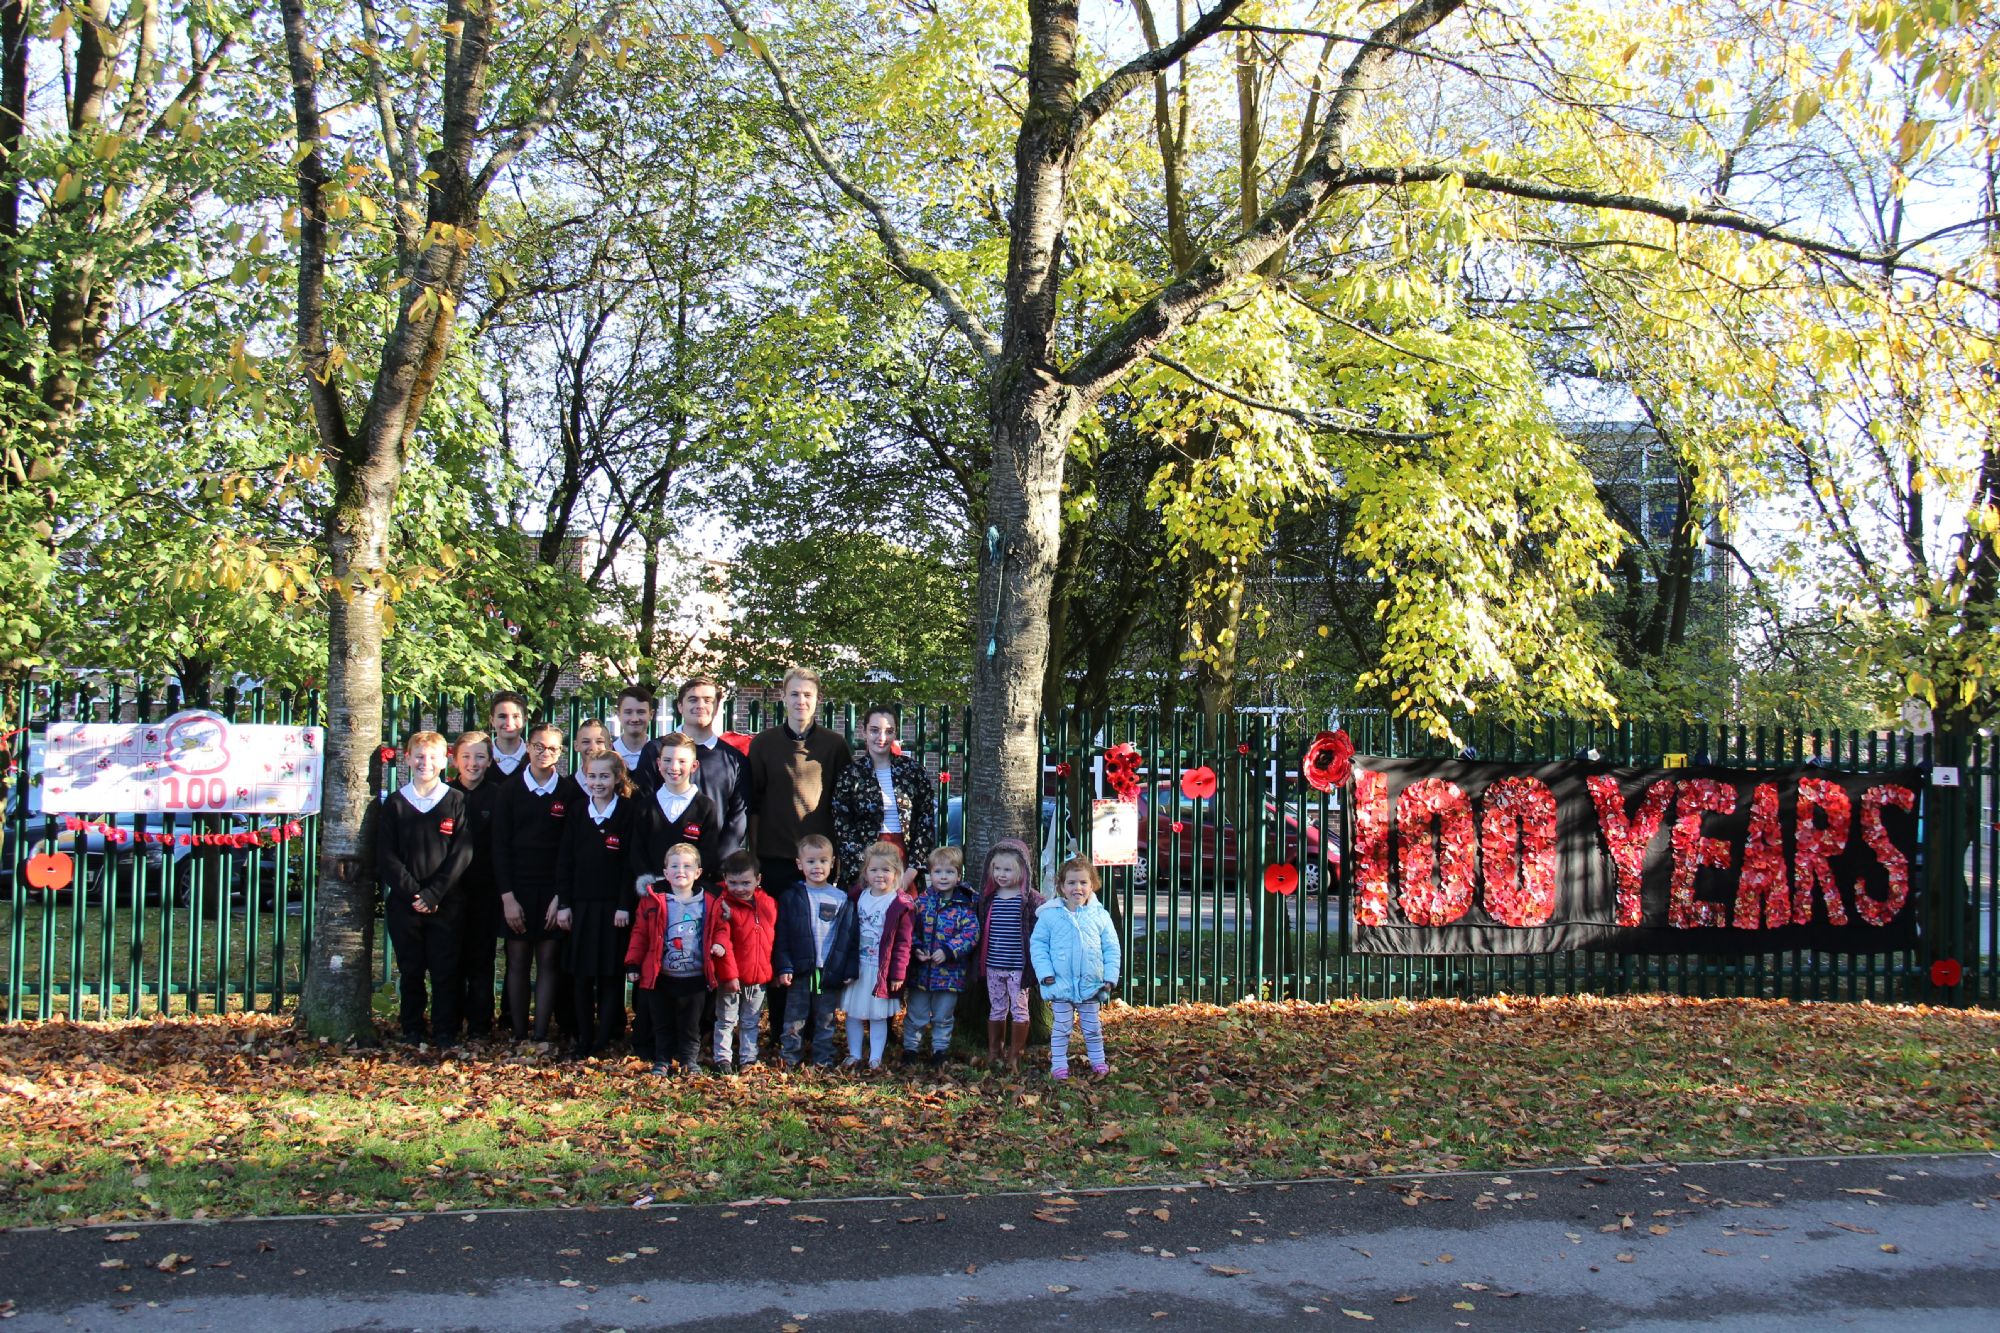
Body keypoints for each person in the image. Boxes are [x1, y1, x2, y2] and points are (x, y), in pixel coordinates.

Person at [376, 731, 474, 1044]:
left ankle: (446, 1030)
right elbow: (386, 854)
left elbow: (463, 851)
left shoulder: (455, 800)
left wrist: (434, 893)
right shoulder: (395, 803)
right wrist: (413, 894)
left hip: (447, 903)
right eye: (418, 756)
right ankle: (412, 1028)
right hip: (405, 905)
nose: (425, 763)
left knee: (446, 971)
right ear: (406, 758)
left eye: (432, 756)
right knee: (411, 971)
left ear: (444, 760)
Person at [491, 723, 580, 1042]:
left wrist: (561, 897)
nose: (545, 753)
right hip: (517, 888)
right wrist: (507, 897)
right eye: (539, 746)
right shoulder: (509, 790)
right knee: (516, 960)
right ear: (528, 747)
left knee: (548, 961)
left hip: (554, 889)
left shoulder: (570, 792)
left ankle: (541, 1034)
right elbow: (499, 846)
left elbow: (571, 849)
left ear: (561, 753)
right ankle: (518, 1033)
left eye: (553, 748)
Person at [555, 751, 641, 1060]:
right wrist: (564, 903)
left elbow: (630, 864)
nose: (597, 782)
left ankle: (603, 1039)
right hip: (581, 906)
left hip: (613, 910)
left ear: (618, 778)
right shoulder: (578, 811)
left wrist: (624, 905)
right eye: (592, 776)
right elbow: (565, 860)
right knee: (581, 976)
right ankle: (584, 1038)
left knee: (609, 976)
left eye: (604, 776)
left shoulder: (629, 813)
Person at [746, 667, 850, 890]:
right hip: (773, 857)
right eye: (794, 694)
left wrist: (837, 857)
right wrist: (753, 854)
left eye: (807, 695)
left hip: (818, 859)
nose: (800, 701)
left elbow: (843, 804)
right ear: (783, 697)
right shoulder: (763, 744)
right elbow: (753, 803)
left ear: (818, 699)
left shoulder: (835, 745)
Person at [826, 840, 916, 1071]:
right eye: (874, 869)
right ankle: (854, 1054)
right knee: (854, 1013)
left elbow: (904, 943)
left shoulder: (900, 904)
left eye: (886, 870)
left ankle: (876, 1057)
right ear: (865, 872)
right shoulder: (858, 896)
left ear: (896, 873)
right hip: (858, 967)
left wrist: (898, 973)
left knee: (877, 1016)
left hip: (881, 969)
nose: (879, 875)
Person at [1030, 857, 1121, 1081]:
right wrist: (1045, 973)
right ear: (1061, 886)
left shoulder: (1100, 916)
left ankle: (1098, 1061)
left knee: (1092, 1029)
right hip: (1059, 983)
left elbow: (1112, 948)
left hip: (1090, 984)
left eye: (1083, 883)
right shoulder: (1050, 915)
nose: (1077, 888)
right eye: (1071, 883)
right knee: (1061, 1028)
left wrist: (1110, 977)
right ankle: (1059, 1065)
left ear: (1092, 886)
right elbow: (1038, 945)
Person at [624, 843, 709, 1075]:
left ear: (698, 872)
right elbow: (640, 933)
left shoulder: (708, 902)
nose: (681, 870)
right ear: (665, 873)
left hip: (695, 975)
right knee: (662, 1022)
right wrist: (633, 963)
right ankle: (662, 1059)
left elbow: (719, 931)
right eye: (674, 866)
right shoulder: (653, 901)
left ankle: (689, 1060)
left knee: (691, 1025)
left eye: (687, 866)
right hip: (662, 975)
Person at [831, 704, 935, 887]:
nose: (882, 737)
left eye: (889, 731)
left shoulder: (913, 772)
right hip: (865, 866)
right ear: (864, 732)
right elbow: (843, 826)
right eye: (874, 730)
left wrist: (911, 872)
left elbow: (925, 822)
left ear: (895, 734)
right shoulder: (851, 775)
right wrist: (867, 871)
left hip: (903, 861)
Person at [637, 681, 747, 853]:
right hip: (662, 866)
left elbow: (738, 818)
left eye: (708, 700)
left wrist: (717, 864)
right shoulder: (656, 751)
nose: (700, 705)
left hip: (713, 870)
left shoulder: (735, 759)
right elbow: (643, 808)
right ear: (680, 706)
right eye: (693, 699)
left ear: (717, 708)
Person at [901, 845, 979, 1071]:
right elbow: (910, 931)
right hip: (922, 973)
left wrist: (948, 950)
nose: (943, 877)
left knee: (943, 1016)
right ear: (930, 875)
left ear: (958, 876)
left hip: (949, 975)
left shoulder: (964, 906)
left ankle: (939, 1050)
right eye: (938, 872)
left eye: (949, 872)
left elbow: (971, 933)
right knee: (915, 1014)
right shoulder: (922, 903)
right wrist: (916, 949)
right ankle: (911, 1050)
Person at [773, 833, 847, 1068]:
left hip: (827, 970)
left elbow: (846, 937)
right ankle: (790, 1057)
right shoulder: (791, 897)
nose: (817, 867)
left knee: (826, 1018)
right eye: (811, 861)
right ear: (799, 864)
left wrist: (844, 967)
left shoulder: (840, 898)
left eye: (823, 861)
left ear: (832, 862)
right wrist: (784, 966)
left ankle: (822, 1059)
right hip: (800, 969)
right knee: (794, 1017)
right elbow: (782, 935)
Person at [449, 730, 502, 1040]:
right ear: (455, 760)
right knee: (451, 958)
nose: (473, 763)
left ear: (489, 761)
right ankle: (451, 1021)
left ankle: (480, 1025)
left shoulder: (497, 795)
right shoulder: (443, 794)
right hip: (450, 891)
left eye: (480, 756)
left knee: (482, 959)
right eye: (466, 756)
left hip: (485, 890)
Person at [704, 850, 778, 1074]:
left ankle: (748, 1057)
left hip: (758, 976)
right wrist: (729, 976)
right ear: (725, 879)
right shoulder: (723, 905)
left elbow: (771, 939)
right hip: (731, 977)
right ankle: (723, 1058)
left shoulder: (768, 904)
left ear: (758, 880)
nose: (740, 889)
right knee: (726, 1019)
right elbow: (722, 941)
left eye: (746, 882)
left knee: (750, 1020)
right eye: (733, 883)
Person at [975, 838, 1043, 1071]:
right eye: (997, 869)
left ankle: (1016, 1055)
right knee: (997, 1007)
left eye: (1008, 869)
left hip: (1018, 968)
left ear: (1022, 869)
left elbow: (1044, 924)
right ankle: (995, 1052)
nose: (1001, 874)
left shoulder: (1030, 900)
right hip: (994, 965)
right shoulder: (988, 898)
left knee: (1019, 1008)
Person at [634, 732, 723, 887]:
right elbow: (637, 851)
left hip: (692, 895)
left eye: (682, 761)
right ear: (658, 763)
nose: (674, 767)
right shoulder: (645, 806)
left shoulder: (706, 807)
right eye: (667, 760)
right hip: (653, 895)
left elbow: (708, 855)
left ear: (694, 766)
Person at [611, 684, 655, 775]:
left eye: (641, 712)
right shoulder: (608, 753)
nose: (635, 719)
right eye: (628, 712)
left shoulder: (660, 754)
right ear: (618, 714)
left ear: (651, 714)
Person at [486, 691, 530, 777]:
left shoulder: (533, 758)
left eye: (515, 716)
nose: (509, 723)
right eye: (502, 716)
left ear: (525, 720)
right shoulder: (481, 756)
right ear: (492, 720)